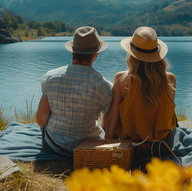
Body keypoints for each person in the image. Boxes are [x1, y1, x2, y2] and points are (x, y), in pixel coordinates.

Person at [36, 26, 113, 157]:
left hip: (53, 146)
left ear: (72, 51)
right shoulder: (105, 86)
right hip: (88, 148)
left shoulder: (50, 77)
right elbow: (106, 124)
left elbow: (41, 120)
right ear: (95, 55)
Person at [104, 26, 177, 156]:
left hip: (131, 147)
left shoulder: (121, 79)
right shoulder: (170, 79)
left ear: (131, 54)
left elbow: (113, 118)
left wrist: (107, 144)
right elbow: (167, 117)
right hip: (162, 147)